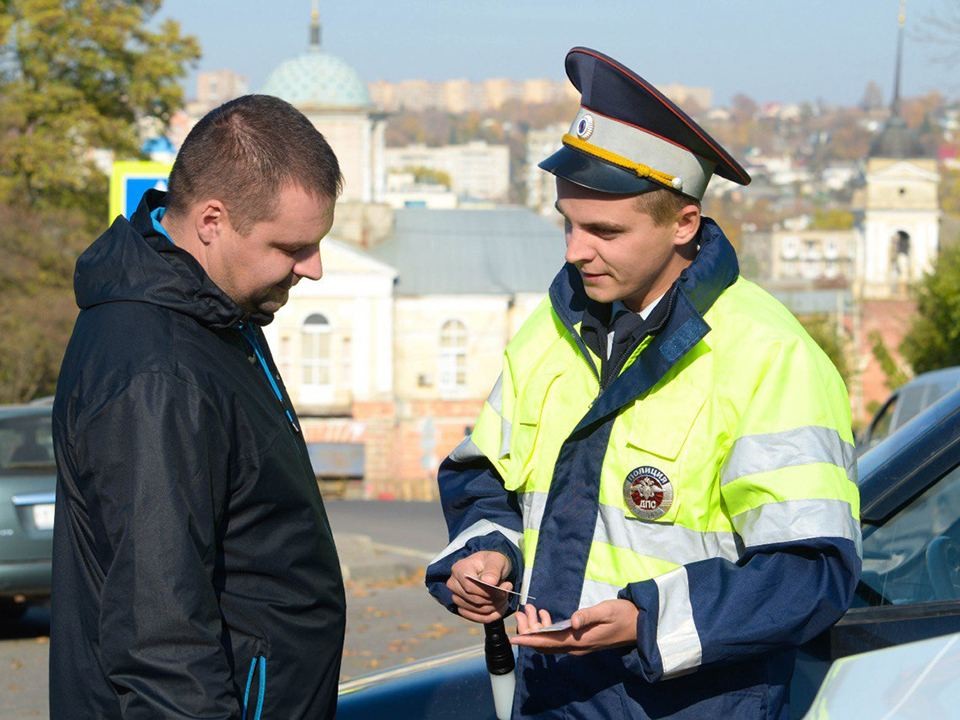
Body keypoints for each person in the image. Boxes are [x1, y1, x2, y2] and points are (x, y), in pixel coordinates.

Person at [426, 48, 861, 719]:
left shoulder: (770, 355)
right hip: (553, 697)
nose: (575, 250)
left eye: (604, 230)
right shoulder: (552, 327)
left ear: (683, 224)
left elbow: (809, 573)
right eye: (567, 223)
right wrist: (484, 557)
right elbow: (486, 476)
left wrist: (644, 619)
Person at [51, 94, 346, 719]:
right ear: (212, 220)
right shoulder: (158, 373)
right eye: (292, 247)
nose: (313, 268)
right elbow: (162, 637)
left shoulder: (211, 314)